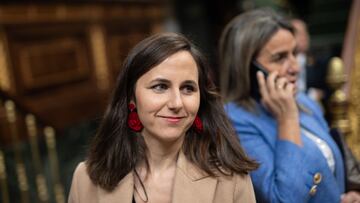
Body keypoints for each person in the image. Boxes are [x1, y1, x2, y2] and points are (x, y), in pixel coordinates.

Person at [68, 32, 258, 203]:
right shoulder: (86, 179)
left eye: (188, 88)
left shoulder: (231, 179)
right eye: (160, 87)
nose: (176, 103)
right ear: (131, 99)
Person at [219, 8, 360, 203]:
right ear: (248, 69)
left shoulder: (303, 101)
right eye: (280, 58)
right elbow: (283, 199)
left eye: (294, 53)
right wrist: (287, 119)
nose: (295, 67)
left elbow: (331, 175)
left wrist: (350, 195)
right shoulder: (233, 121)